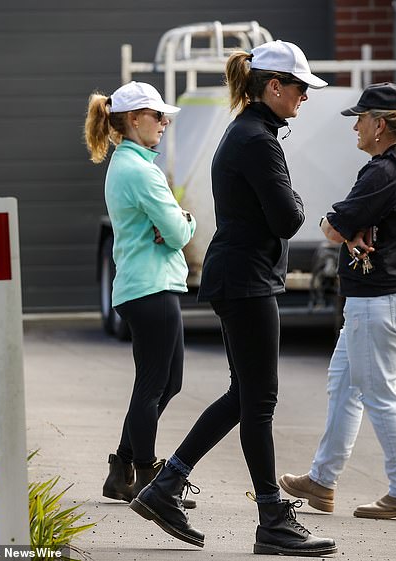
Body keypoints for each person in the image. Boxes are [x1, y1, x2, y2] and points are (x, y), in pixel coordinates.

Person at [129, 40, 337, 556]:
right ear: (273, 86)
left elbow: (280, 211)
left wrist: (288, 198)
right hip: (246, 280)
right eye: (299, 88)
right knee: (258, 398)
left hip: (242, 276)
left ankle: (167, 484)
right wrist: (295, 198)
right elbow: (289, 218)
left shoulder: (251, 131)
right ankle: (271, 519)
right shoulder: (256, 140)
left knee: (245, 395)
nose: (305, 98)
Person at [279, 82, 396, 522]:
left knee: (379, 394)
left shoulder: (383, 171)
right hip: (388, 297)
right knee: (344, 385)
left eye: (361, 119)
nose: (356, 128)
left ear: (381, 125)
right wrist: (352, 227)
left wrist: (338, 223)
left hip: (379, 301)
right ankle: (322, 481)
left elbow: (333, 226)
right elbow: (358, 224)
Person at [84, 81, 197, 508]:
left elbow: (165, 230)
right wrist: (185, 221)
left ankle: (121, 470)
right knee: (154, 385)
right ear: (134, 120)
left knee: (167, 382)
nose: (165, 122)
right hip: (150, 288)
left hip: (147, 285)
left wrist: (172, 225)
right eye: (157, 115)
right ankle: (150, 481)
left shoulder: (128, 164)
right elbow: (177, 230)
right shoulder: (140, 170)